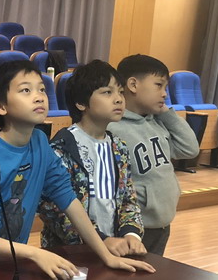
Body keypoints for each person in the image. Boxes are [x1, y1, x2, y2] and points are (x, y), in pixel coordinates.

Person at [0, 60, 155, 280]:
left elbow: (67, 198)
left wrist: (106, 256)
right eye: (26, 90)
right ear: (0, 106)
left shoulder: (40, 142)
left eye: (42, 89)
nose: (39, 96)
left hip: (13, 263)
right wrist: (35, 253)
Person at [38, 60, 146, 255]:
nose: (118, 99)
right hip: (70, 254)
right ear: (81, 103)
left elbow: (128, 198)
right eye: (107, 92)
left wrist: (131, 234)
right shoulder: (61, 148)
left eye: (120, 92)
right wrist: (100, 240)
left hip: (116, 249)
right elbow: (53, 208)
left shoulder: (119, 147)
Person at [107, 54, 200, 256]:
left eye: (166, 88)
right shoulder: (113, 128)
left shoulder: (157, 123)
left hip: (162, 223)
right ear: (133, 85)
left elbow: (190, 148)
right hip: (132, 227)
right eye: (158, 85)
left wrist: (165, 112)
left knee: (151, 272)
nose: (164, 94)